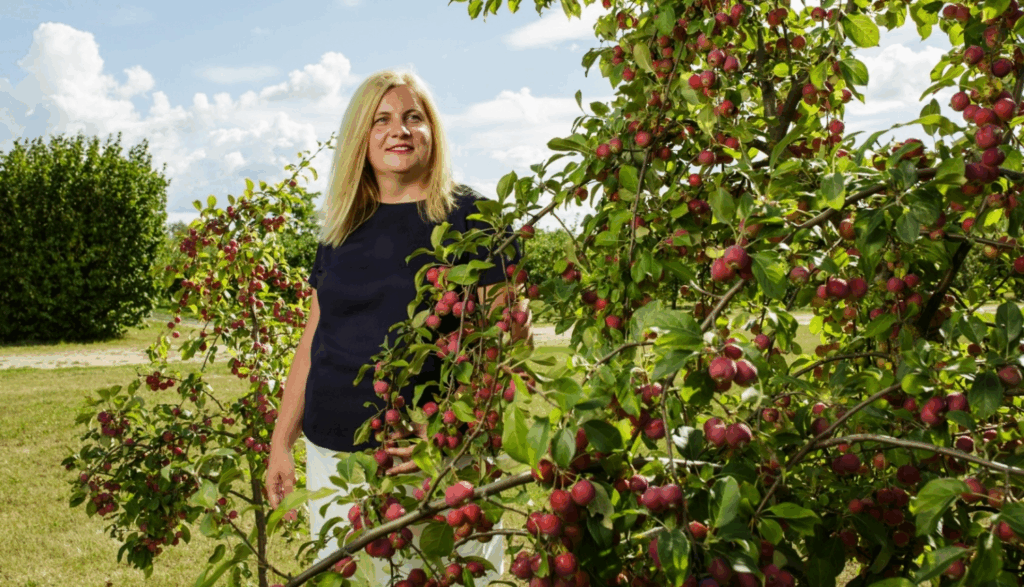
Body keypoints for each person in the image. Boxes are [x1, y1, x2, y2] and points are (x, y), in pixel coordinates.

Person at [265, 69, 530, 583]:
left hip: (431, 456)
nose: (399, 130)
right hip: (333, 457)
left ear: (433, 130)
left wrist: (452, 429)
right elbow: (314, 340)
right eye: (381, 120)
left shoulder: (474, 217)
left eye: (414, 117)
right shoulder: (342, 225)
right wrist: (281, 441)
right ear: (360, 138)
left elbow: (509, 342)